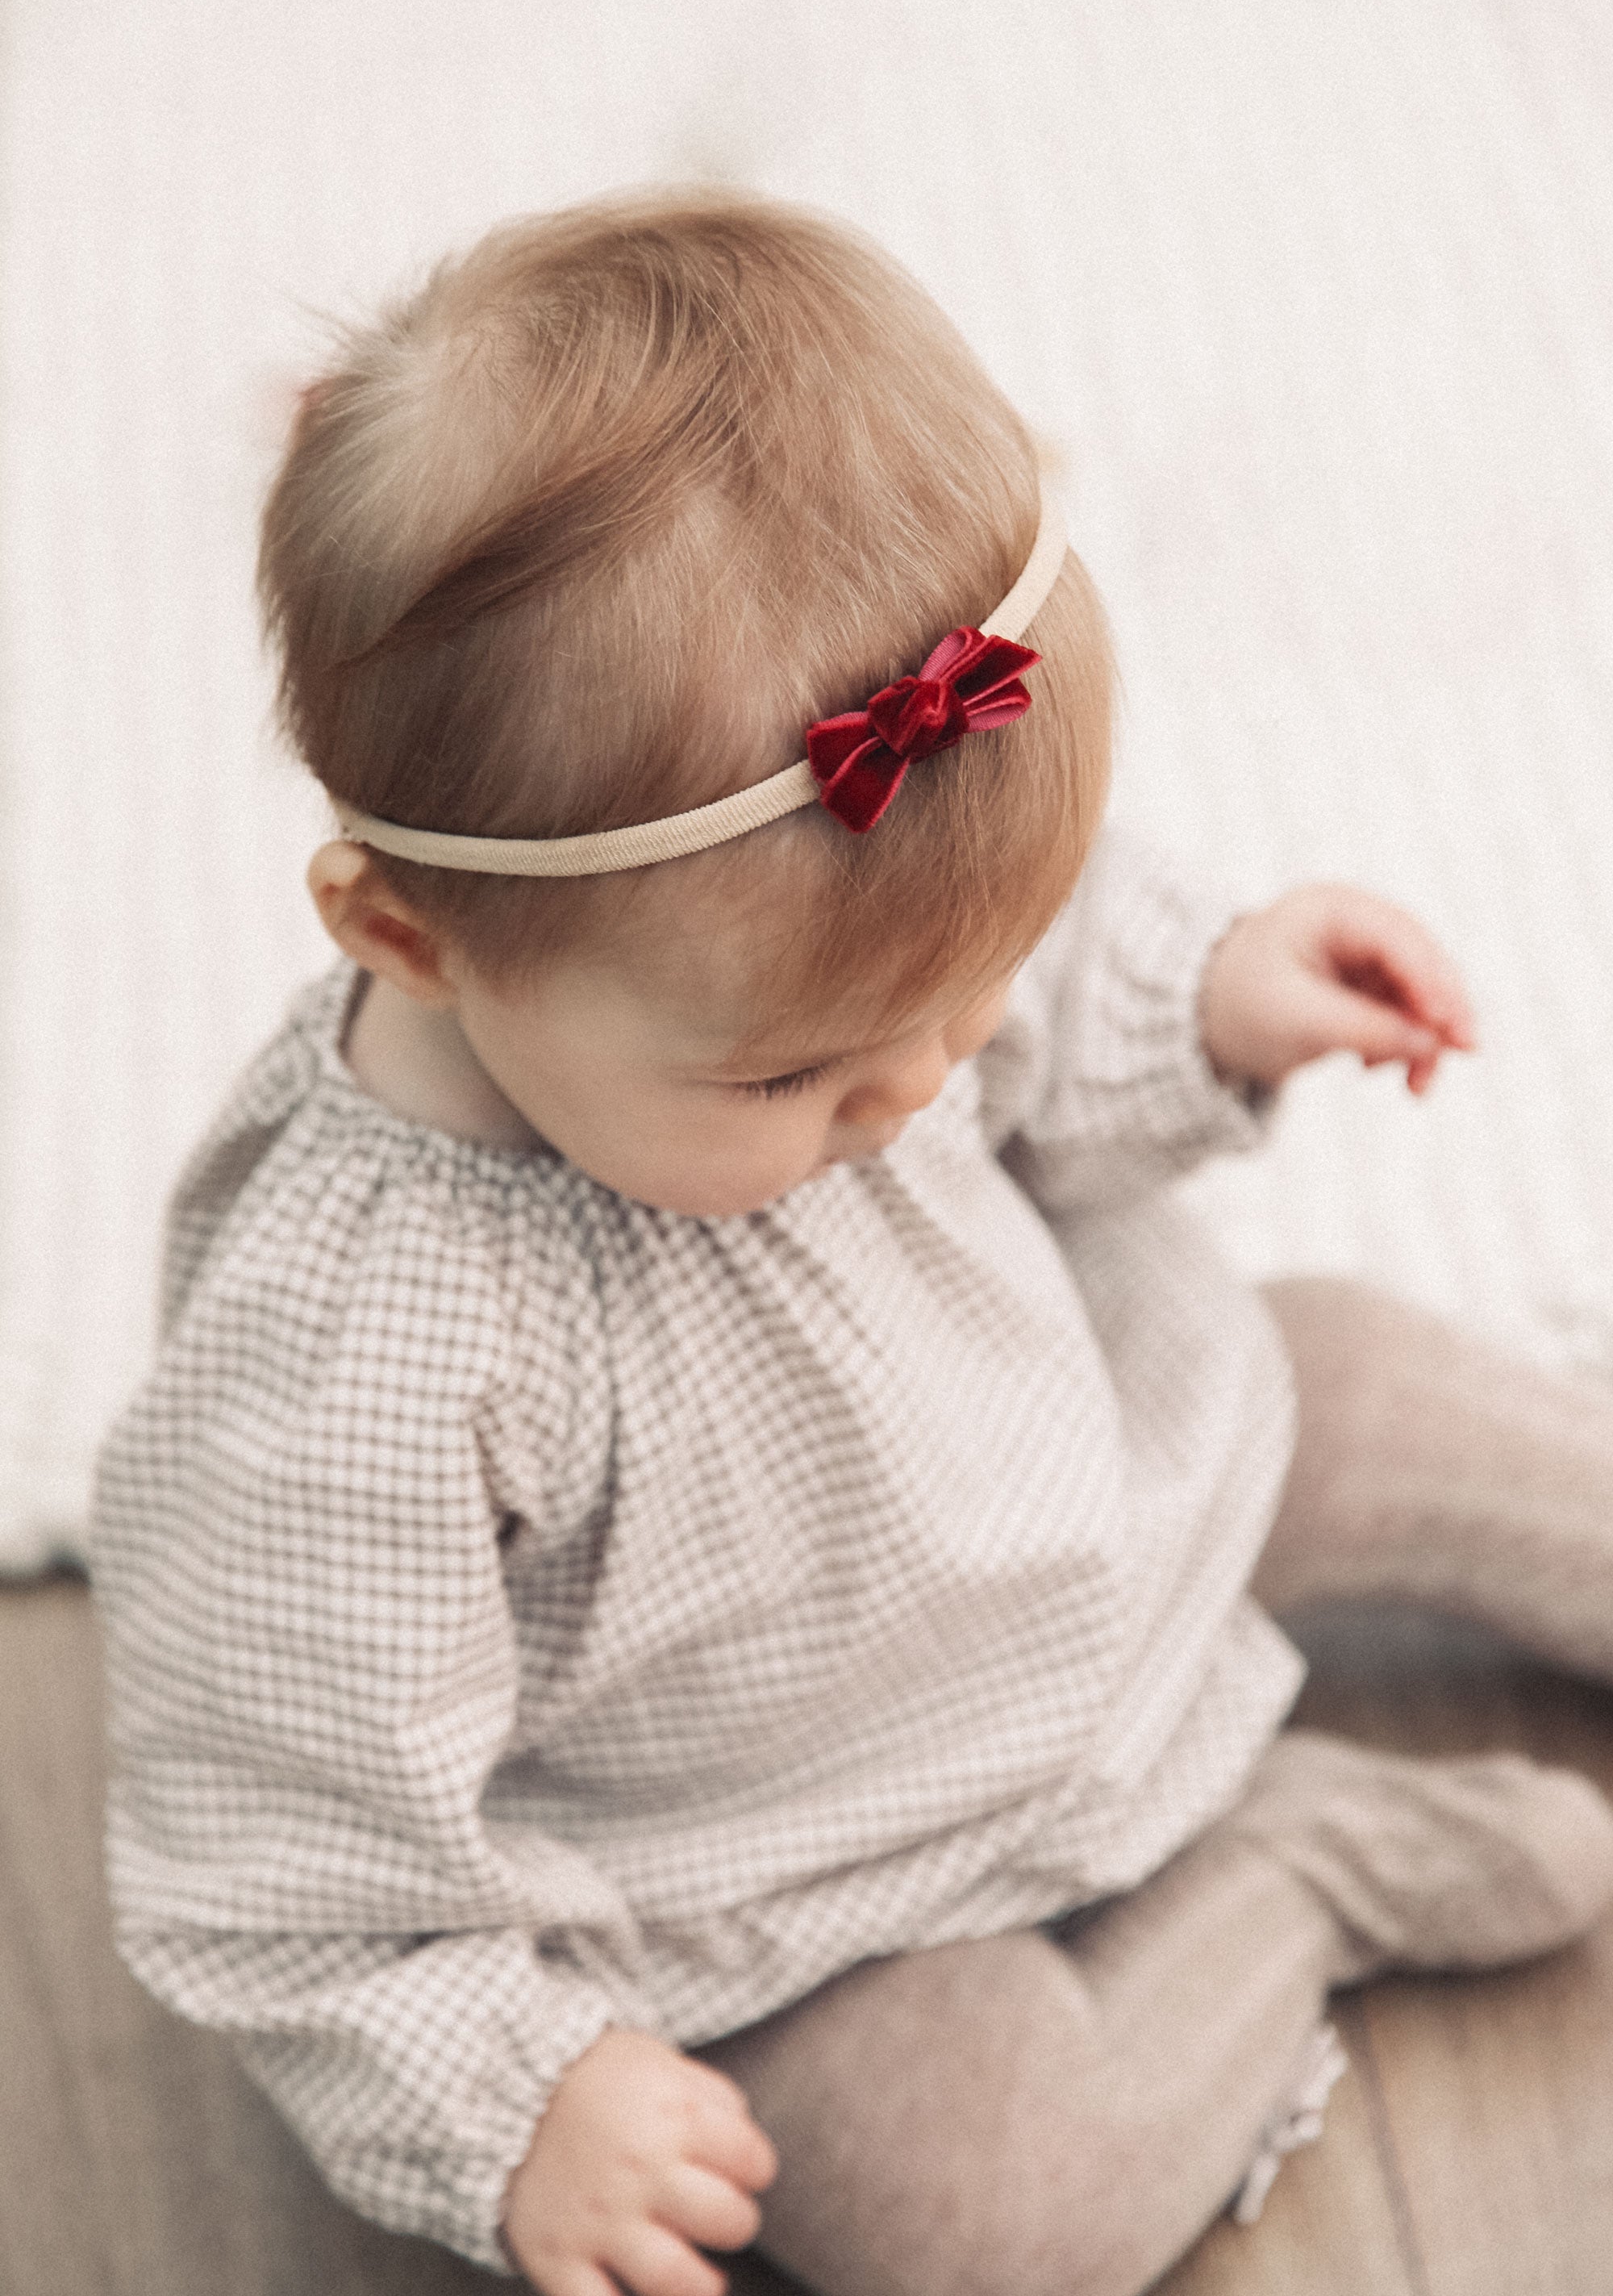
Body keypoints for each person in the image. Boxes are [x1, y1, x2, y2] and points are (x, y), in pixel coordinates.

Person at [91, 191, 1613, 2296]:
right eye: (804, 1080)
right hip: (795, 1864)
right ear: (410, 936)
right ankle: (1294, 1865)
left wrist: (1212, 991)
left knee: (1340, 1370)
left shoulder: (843, 930)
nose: (920, 1093)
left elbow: (996, 965)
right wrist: (516, 2091)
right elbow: (282, 1854)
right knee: (979, 2212)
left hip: (1083, 1470)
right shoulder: (350, 1376)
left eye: (961, 1003)